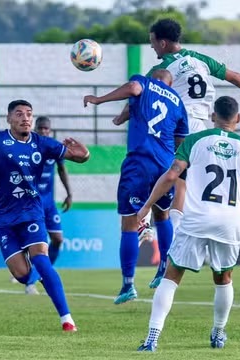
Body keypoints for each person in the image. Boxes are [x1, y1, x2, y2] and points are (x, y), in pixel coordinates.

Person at [136, 96, 240, 352]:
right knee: (224, 278)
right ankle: (218, 332)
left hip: (197, 219)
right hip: (229, 222)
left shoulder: (195, 140)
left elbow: (172, 175)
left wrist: (146, 207)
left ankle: (153, 337)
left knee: (172, 276)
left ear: (212, 116)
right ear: (238, 118)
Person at [117, 18, 240, 241]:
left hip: (178, 125)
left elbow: (144, 94)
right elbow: (234, 76)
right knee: (183, 180)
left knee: (156, 167)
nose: (151, 47)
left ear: (162, 42)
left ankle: (145, 221)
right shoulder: (200, 60)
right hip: (202, 127)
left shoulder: (162, 68)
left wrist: (122, 117)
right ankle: (177, 226)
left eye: (152, 42)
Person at [0, 99, 90, 332]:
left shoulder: (41, 143)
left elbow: (78, 156)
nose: (25, 118)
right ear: (9, 119)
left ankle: (67, 319)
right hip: (3, 217)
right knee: (22, 274)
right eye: (19, 114)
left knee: (41, 258)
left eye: (29, 114)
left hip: (32, 211)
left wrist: (85, 154)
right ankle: (36, 279)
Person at [83, 69, 189, 303]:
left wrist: (99, 99)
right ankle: (162, 268)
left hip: (139, 162)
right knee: (162, 216)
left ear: (155, 77)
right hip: (164, 166)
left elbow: (133, 89)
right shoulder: (178, 102)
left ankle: (128, 284)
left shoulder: (145, 82)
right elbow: (181, 141)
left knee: (129, 223)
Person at [16, 116, 74, 295]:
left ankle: (38, 272)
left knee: (58, 239)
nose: (43, 131)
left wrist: (69, 193)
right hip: (31, 203)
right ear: (35, 128)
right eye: (40, 128)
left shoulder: (53, 147)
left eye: (46, 129)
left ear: (50, 130)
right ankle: (31, 280)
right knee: (36, 244)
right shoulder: (26, 147)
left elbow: (62, 169)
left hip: (49, 203)